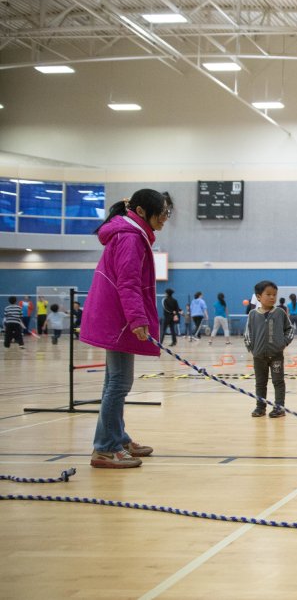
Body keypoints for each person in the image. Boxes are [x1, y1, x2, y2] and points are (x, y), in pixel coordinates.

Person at [81, 188, 172, 469]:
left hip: (116, 319)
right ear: (142, 212)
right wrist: (138, 320)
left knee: (114, 382)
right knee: (119, 384)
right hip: (119, 320)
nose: (165, 219)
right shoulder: (130, 238)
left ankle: (116, 438)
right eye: (162, 213)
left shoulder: (129, 234)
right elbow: (128, 283)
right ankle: (105, 448)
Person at [245, 280, 296, 418]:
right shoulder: (252, 314)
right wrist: (252, 348)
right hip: (259, 356)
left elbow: (290, 329)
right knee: (260, 383)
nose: (272, 297)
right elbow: (247, 333)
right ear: (259, 297)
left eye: (274, 294)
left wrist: (283, 343)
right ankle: (260, 407)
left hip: (276, 356)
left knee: (278, 382)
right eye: (268, 294)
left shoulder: (280, 312)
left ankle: (279, 408)